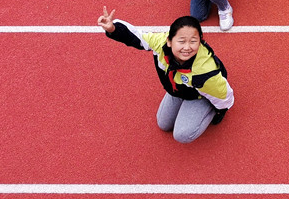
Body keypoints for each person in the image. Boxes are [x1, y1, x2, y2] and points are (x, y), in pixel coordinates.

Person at [98, 8, 233, 143]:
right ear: (169, 41)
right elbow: (136, 36)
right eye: (181, 41)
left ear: (200, 41)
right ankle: (183, 96)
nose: (187, 47)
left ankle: (207, 106)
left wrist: (220, 110)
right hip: (178, 89)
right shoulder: (160, 43)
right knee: (163, 124)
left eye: (193, 41)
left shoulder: (205, 73)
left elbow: (224, 95)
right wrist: (113, 29)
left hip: (200, 93)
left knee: (182, 136)